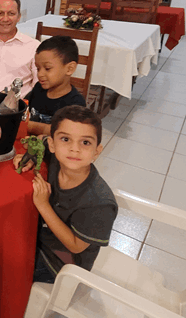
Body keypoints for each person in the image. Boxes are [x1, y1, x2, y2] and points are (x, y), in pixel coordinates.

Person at [21, 105, 117, 284]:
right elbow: (40, 140)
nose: (74, 149)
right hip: (39, 238)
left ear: (97, 151)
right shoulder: (57, 158)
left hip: (59, 266)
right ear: (53, 145)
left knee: (7, 267)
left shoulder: (99, 202)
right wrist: (31, 156)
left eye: (85, 142)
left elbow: (75, 245)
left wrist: (43, 205)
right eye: (65, 139)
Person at [25, 36, 86, 136]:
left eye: (47, 68)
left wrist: (29, 126)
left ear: (69, 68)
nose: (40, 74)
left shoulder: (76, 103)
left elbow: (64, 133)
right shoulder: (39, 88)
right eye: (38, 68)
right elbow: (23, 108)